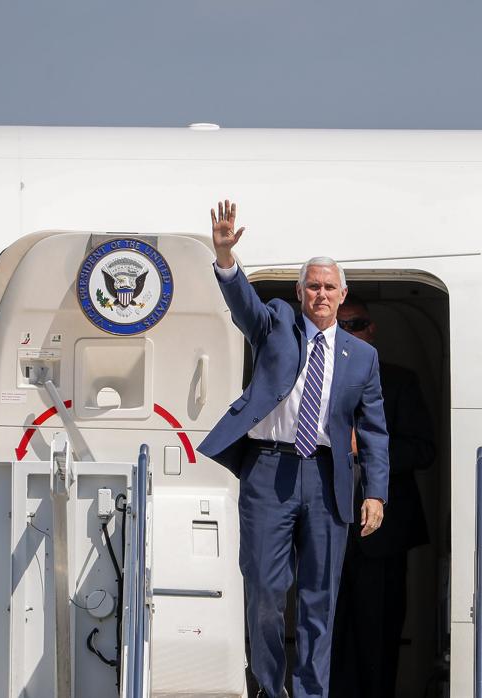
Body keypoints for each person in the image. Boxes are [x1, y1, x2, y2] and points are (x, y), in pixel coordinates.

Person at [197, 200, 390, 698]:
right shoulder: (276, 324)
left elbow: (374, 430)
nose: (321, 294)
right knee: (264, 588)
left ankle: (309, 694)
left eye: (329, 287)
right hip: (269, 471)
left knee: (319, 599)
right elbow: (244, 306)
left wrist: (377, 493)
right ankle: (269, 687)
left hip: (328, 478)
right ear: (298, 292)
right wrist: (225, 258)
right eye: (313, 286)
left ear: (342, 294)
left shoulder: (362, 357)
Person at [330, 298, 436, 698]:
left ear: (371, 330)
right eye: (340, 326)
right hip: (328, 528)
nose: (347, 332)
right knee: (329, 635)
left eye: (354, 324)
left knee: (379, 635)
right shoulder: (311, 381)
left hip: (384, 535)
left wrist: (367, 448)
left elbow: (424, 451)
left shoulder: (399, 381)